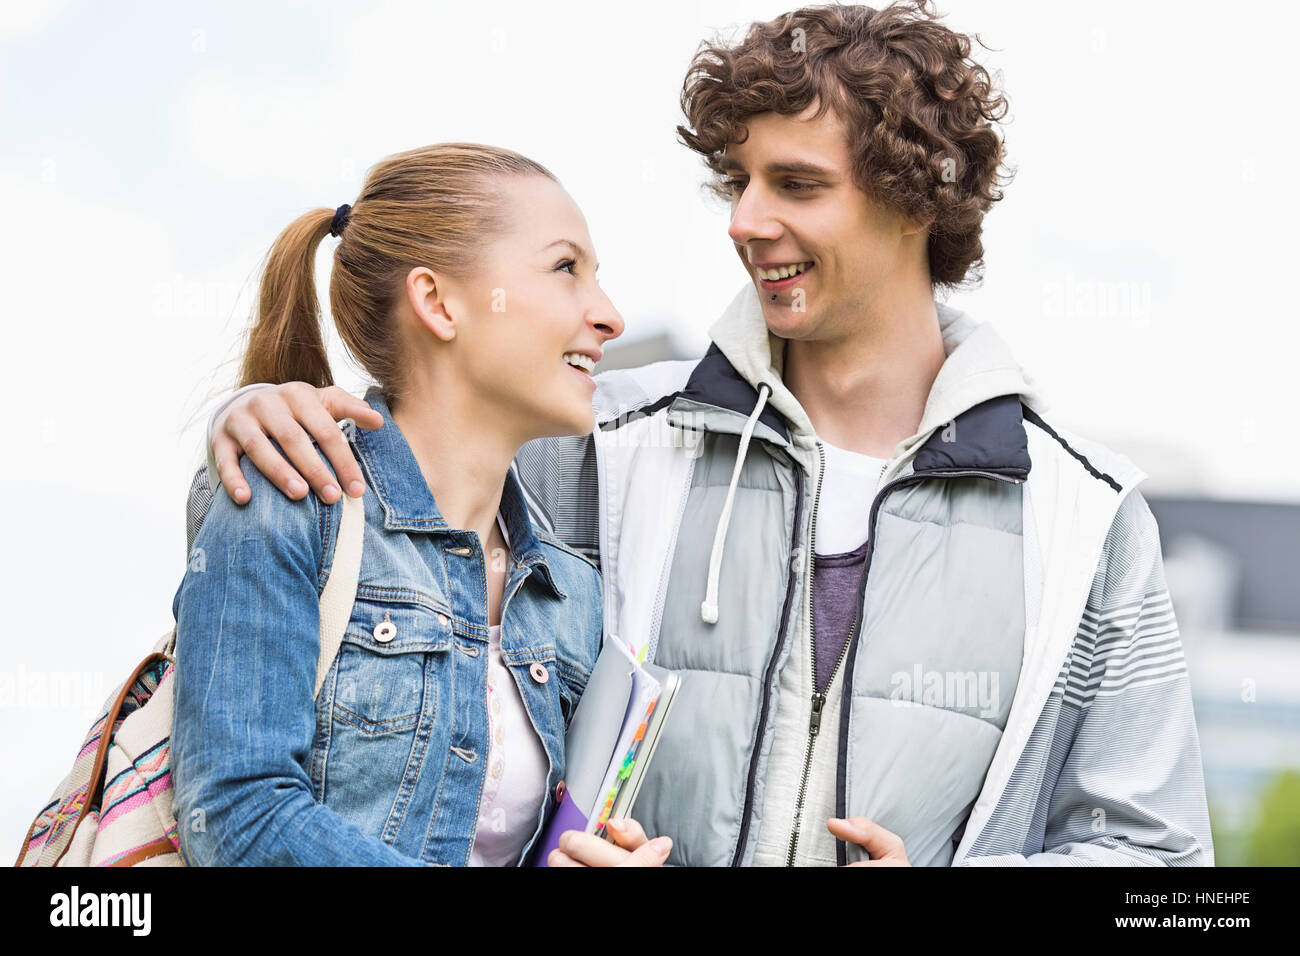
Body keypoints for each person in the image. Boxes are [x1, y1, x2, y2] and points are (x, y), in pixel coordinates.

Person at [190, 2, 1213, 866]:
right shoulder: (602, 437)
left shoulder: (1087, 519)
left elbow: (1170, 877)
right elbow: (342, 537)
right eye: (738, 181)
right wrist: (258, 417)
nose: (741, 220)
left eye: (796, 185)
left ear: (920, 197)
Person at [170, 141, 670, 867]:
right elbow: (237, 817)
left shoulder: (574, 595)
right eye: (566, 269)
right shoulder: (293, 502)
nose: (610, 317)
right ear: (437, 302)